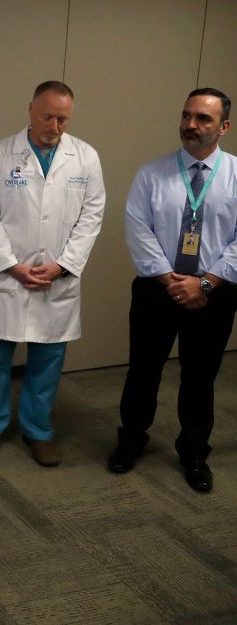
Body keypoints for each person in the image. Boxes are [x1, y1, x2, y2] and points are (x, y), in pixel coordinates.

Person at [108, 88, 235, 493]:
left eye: (203, 119)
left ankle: (194, 452)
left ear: (224, 127)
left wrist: (206, 281)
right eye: (186, 115)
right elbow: (137, 229)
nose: (190, 125)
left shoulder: (236, 175)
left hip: (214, 293)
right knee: (143, 369)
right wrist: (170, 280)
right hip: (156, 290)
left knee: (200, 377)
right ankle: (131, 440)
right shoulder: (152, 173)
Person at [0, 81, 105, 466]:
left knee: (48, 360)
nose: (55, 125)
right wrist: (12, 265)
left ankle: (38, 429)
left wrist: (63, 265)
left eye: (63, 119)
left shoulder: (85, 158)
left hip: (56, 279)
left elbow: (92, 217)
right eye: (48, 116)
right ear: (30, 109)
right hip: (7, 278)